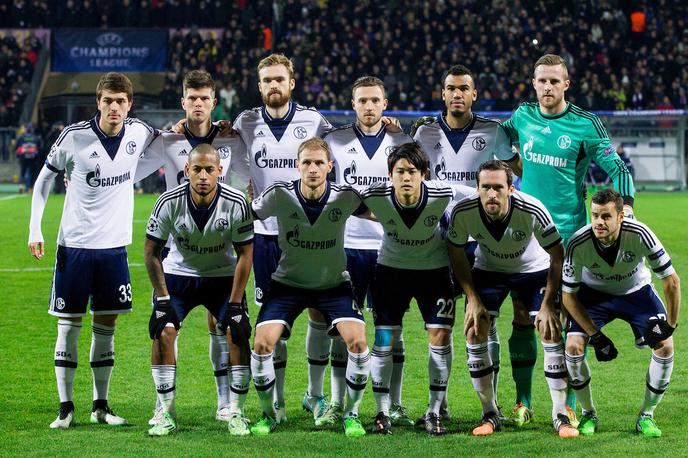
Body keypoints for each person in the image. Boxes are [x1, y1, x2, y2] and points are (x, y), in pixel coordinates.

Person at [501, 54, 636, 425]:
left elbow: (618, 169)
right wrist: (512, 165)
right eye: (541, 80)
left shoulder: (585, 124)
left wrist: (629, 212)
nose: (547, 86)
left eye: (553, 81)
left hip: (570, 237)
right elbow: (498, 138)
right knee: (522, 317)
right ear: (534, 83)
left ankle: (571, 404)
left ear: (566, 84)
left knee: (566, 317)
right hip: (526, 236)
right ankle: (522, 402)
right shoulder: (522, 116)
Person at [28, 72, 157, 429]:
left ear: (129, 105)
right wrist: (34, 229)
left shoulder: (140, 132)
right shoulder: (74, 137)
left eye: (120, 101)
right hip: (75, 247)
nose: (114, 107)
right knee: (68, 328)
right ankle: (65, 408)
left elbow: (170, 141)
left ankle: (101, 406)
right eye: (107, 101)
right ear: (97, 103)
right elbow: (43, 180)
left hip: (113, 249)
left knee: (106, 327)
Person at [135, 70, 250, 427]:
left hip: (220, 246)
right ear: (183, 101)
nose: (198, 104)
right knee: (164, 326)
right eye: (192, 98)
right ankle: (163, 408)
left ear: (214, 103)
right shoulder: (167, 139)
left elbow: (254, 174)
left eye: (204, 98)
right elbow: (130, 171)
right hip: (179, 245)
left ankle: (227, 405)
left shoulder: (232, 138)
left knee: (225, 325)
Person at [412, 64, 521, 422]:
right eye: (450, 89)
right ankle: (438, 405)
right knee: (441, 325)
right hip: (438, 242)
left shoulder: (493, 131)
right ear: (442, 94)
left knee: (485, 321)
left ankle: (491, 405)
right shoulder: (424, 132)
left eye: (464, 89)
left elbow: (519, 172)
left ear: (474, 94)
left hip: (482, 242)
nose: (457, 94)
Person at [233, 54, 333, 423]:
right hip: (265, 238)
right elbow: (215, 137)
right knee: (273, 322)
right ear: (259, 86)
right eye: (267, 80)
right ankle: (276, 401)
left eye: (279, 79)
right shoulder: (246, 121)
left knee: (319, 313)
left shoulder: (313, 121)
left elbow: (337, 150)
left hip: (308, 234)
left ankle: (315, 394)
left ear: (292, 83)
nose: (273, 85)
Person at [249, 138, 371, 437]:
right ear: (297, 165)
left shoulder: (345, 196)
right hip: (287, 284)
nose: (313, 169)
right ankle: (270, 413)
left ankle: (351, 413)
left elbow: (383, 214)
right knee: (263, 342)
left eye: (319, 163)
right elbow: (247, 215)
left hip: (333, 285)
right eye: (306, 162)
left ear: (330, 167)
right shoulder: (279, 194)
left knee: (357, 341)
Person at [447, 160, 576, 437]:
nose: (491, 194)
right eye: (485, 187)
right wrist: (472, 298)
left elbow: (557, 253)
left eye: (498, 187)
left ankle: (561, 415)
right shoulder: (464, 211)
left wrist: (548, 304)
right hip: (489, 270)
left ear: (511, 189)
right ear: (477, 188)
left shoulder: (531, 209)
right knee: (474, 330)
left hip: (533, 270)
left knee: (550, 329)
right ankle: (490, 413)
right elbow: (456, 253)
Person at [144, 144, 254, 436]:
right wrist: (163, 299)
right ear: (186, 171)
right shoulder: (168, 201)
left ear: (220, 171)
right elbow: (151, 253)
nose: (203, 176)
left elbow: (245, 254)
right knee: (163, 329)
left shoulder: (236, 201)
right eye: (197, 169)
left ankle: (237, 412)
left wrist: (234, 305)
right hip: (179, 276)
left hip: (222, 276)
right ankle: (165, 411)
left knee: (237, 330)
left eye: (209, 169)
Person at [322, 76, 413, 426]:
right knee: (344, 328)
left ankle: (393, 403)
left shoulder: (403, 141)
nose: (369, 107)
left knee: (391, 328)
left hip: (391, 250)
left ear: (385, 104)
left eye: (375, 100)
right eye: (362, 101)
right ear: (353, 104)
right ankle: (336, 402)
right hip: (346, 247)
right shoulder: (335, 141)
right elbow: (330, 191)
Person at [360, 143, 468, 436]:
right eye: (399, 171)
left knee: (440, 336)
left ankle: (434, 411)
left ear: (424, 174)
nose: (406, 177)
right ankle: (382, 412)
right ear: (390, 175)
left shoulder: (444, 193)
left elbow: (481, 196)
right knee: (384, 338)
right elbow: (340, 202)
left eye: (412, 171)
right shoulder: (374, 196)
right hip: (390, 272)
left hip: (433, 273)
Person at [562, 189, 680, 437]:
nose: (599, 222)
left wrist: (670, 324)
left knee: (665, 346)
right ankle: (588, 414)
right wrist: (596, 336)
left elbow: (671, 281)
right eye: (594, 215)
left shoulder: (639, 233)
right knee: (573, 347)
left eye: (606, 216)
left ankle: (647, 415)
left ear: (621, 217)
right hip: (593, 295)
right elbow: (569, 296)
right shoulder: (578, 242)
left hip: (636, 293)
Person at [15, 123, 43, 193]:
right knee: (32, 173)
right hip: (33, 158)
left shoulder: (21, 137)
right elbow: (40, 148)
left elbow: (17, 147)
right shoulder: (36, 138)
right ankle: (31, 188)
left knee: (22, 172)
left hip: (23, 157)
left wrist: (18, 155)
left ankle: (21, 186)